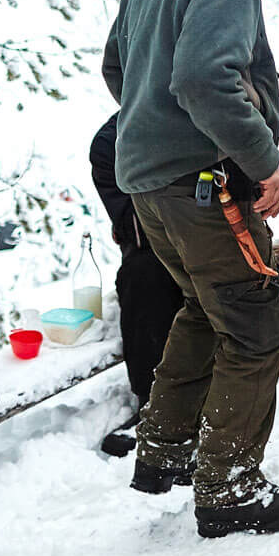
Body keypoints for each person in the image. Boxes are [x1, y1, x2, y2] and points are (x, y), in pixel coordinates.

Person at [100, 0, 279, 538]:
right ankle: (229, 492)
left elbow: (116, 65)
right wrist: (263, 161)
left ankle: (166, 449)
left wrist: (152, 132)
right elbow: (202, 81)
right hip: (203, 184)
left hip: (147, 183)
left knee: (202, 304)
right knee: (255, 327)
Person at [89, 113, 186, 456]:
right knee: (143, 277)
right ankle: (152, 401)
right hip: (154, 244)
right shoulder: (109, 142)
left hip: (215, 229)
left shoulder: (200, 111)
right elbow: (133, 224)